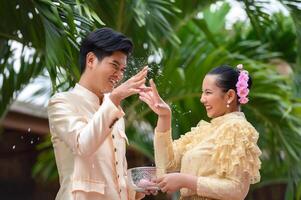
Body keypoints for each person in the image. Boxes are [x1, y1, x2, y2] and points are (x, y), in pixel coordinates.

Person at [48, 27, 148, 200]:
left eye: (123, 70)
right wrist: (114, 98)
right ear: (91, 60)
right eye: (114, 66)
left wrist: (139, 189)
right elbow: (83, 145)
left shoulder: (113, 109)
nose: (119, 75)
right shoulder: (62, 102)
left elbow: (116, 179)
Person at [139, 64, 262, 200]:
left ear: (230, 96)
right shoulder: (206, 130)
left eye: (208, 92)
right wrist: (164, 116)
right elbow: (167, 166)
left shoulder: (238, 128)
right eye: (203, 92)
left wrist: (185, 181)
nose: (202, 99)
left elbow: (237, 190)